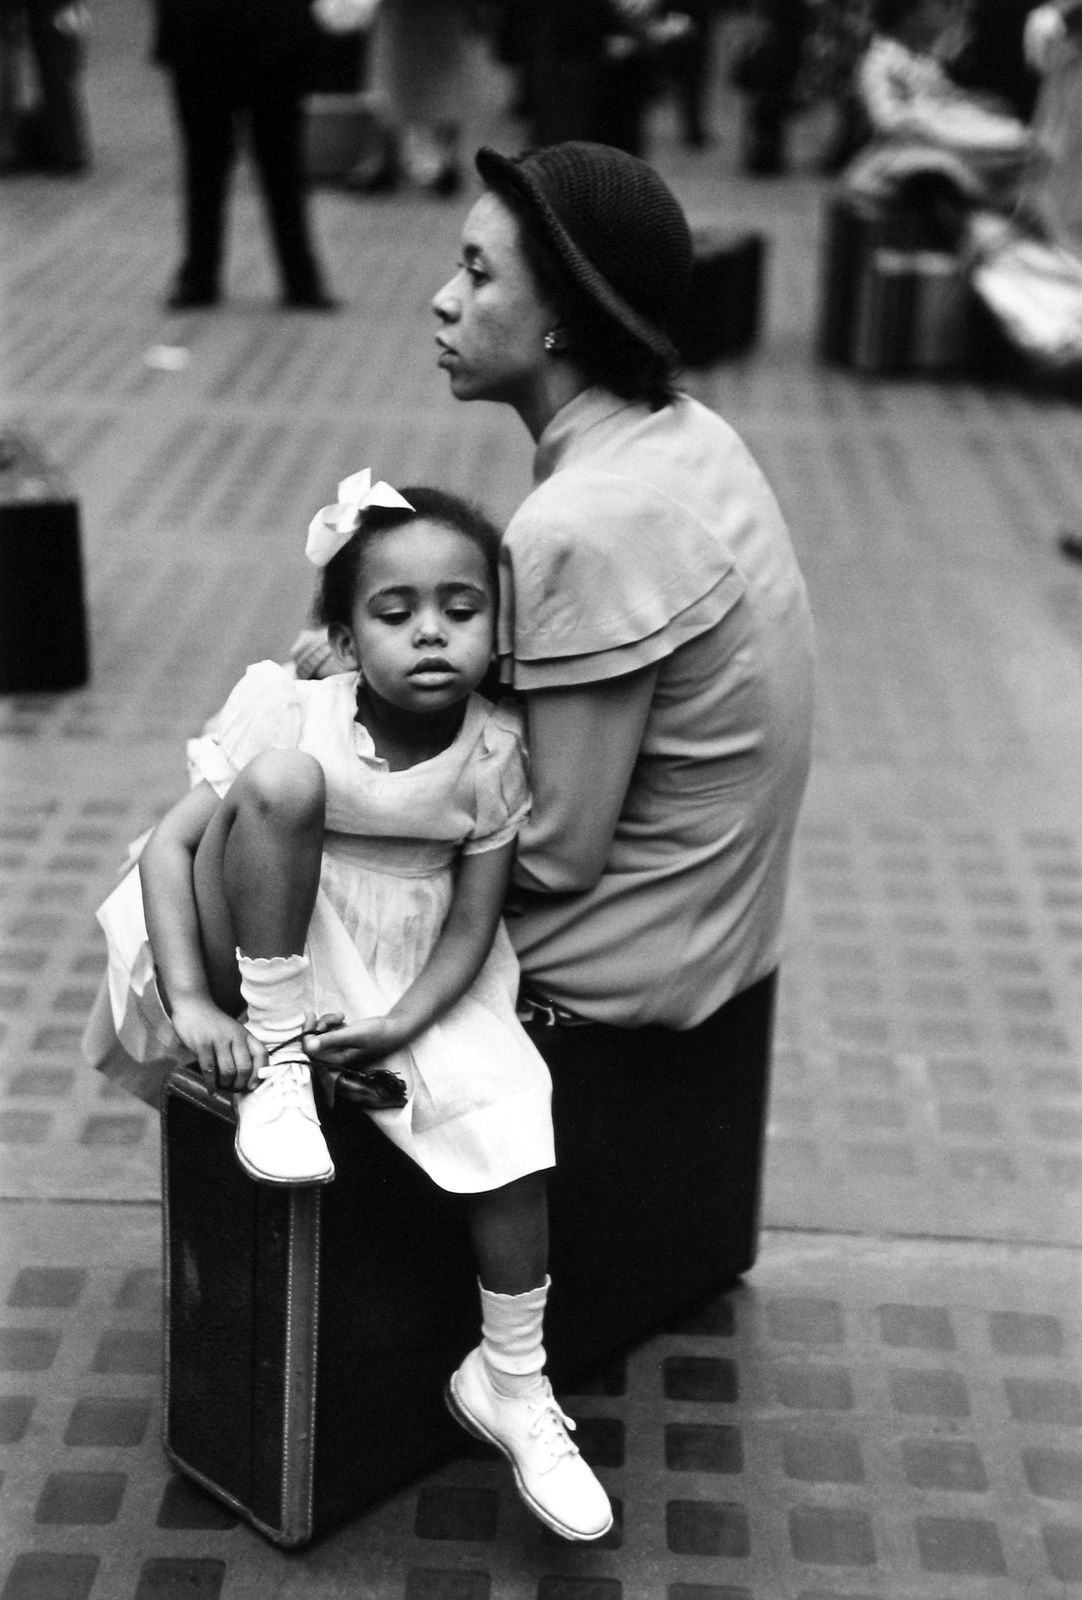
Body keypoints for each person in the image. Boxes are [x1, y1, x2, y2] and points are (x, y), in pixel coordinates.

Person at [86, 475, 613, 1545]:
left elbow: (471, 923)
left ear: (496, 630)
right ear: (340, 630)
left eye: (460, 611)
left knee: (514, 1123)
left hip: (402, 962)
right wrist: (194, 999)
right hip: (255, 927)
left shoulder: (496, 749)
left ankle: (510, 1378)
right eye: (393, 611)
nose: (431, 634)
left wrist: (408, 1020)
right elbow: (177, 847)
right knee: (282, 782)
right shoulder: (291, 702)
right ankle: (279, 1061)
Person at [425, 140, 815, 1067]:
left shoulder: (583, 521)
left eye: (478, 275)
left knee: (228, 895)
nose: (444, 298)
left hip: (630, 956)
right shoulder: (684, 434)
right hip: (718, 914)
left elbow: (558, 851)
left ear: (564, 318)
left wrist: (349, 831)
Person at [151, 0, 336, 310]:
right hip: (225, 37)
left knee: (256, 164)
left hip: (228, 37)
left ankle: (202, 277)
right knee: (265, 165)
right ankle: (297, 280)